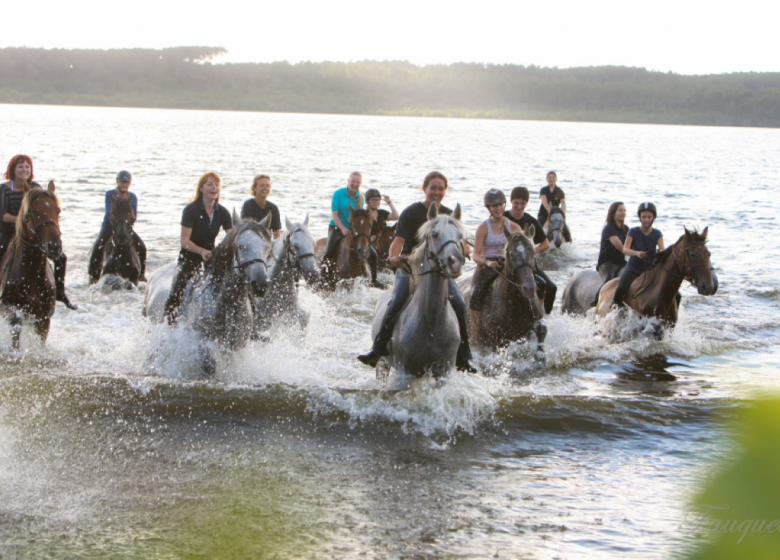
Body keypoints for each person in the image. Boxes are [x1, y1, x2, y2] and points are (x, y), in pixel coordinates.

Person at [357, 171, 476, 373]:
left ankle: (463, 355)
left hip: (440, 272)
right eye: (433, 188)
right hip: (410, 268)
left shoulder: (449, 216)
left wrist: (463, 251)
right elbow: (398, 244)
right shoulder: (412, 213)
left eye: (441, 188)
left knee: (459, 302)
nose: (437, 192)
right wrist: (395, 257)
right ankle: (378, 348)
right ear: (425, 189)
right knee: (398, 299)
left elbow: (462, 246)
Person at [0, 154, 77, 310]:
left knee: (60, 257)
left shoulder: (35, 188)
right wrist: (22, 220)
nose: (24, 170)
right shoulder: (4, 188)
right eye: (20, 166)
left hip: (30, 233)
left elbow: (42, 210)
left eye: (27, 167)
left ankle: (60, 292)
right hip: (8, 232)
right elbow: (2, 215)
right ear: (13, 169)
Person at [163, 172, 232, 323]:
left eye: (216, 185)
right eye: (209, 184)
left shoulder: (223, 212)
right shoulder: (191, 210)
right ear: (201, 188)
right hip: (189, 259)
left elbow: (232, 238)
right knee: (177, 290)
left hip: (210, 259)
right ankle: (167, 324)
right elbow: (184, 241)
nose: (214, 188)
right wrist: (201, 251)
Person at [469, 189, 522, 319]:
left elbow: (520, 250)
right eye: (494, 206)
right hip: (488, 265)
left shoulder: (514, 227)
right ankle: (475, 332)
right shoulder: (483, 227)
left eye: (500, 205)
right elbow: (475, 255)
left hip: (508, 264)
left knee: (533, 285)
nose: (498, 208)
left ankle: (537, 320)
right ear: (489, 208)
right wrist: (487, 262)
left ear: (504, 204)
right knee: (476, 293)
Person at [88, 170, 148, 283]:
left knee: (142, 247)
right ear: (117, 182)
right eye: (122, 182)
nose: (124, 185)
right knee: (98, 245)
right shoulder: (110, 194)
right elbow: (109, 214)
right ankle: (93, 275)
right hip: (109, 227)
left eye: (126, 183)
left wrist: (127, 220)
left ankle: (142, 274)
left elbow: (134, 216)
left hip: (125, 228)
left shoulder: (133, 197)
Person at [504, 187, 556, 314]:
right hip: (508, 263)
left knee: (551, 287)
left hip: (528, 264)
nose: (519, 206)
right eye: (516, 203)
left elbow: (546, 244)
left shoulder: (531, 220)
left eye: (523, 203)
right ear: (511, 201)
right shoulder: (503, 217)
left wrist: (530, 252)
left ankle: (543, 315)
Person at [613, 202, 664, 308]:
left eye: (649, 217)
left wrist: (658, 256)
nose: (646, 219)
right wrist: (637, 253)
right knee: (620, 288)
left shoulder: (657, 234)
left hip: (650, 271)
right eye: (644, 217)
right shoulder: (633, 231)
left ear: (653, 218)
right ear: (640, 218)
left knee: (674, 294)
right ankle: (616, 311)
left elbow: (662, 251)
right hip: (633, 269)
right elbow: (625, 249)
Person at [322, 172, 364, 269]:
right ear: (348, 181)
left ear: (360, 183)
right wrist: (343, 229)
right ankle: (323, 278)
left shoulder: (360, 198)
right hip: (337, 227)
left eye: (357, 182)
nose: (355, 184)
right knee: (329, 253)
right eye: (353, 181)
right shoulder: (338, 194)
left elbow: (357, 218)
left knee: (364, 249)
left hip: (352, 230)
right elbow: (334, 215)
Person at [364, 187, 399, 289]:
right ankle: (373, 279)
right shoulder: (364, 214)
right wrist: (370, 238)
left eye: (377, 200)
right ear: (368, 201)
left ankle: (397, 274)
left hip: (382, 242)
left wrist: (389, 202)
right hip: (370, 242)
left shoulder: (382, 213)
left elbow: (396, 216)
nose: (376, 202)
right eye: (373, 200)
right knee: (371, 252)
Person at [241, 174, 281, 239]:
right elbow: (245, 230)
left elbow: (276, 233)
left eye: (267, 186)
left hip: (267, 243)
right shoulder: (248, 205)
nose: (265, 188)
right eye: (262, 185)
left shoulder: (273, 208)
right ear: (254, 188)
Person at [597, 202, 629, 283]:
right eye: (620, 210)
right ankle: (599, 295)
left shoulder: (626, 229)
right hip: (607, 263)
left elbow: (633, 244)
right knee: (608, 280)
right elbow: (620, 247)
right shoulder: (608, 228)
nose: (623, 213)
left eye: (624, 210)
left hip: (621, 262)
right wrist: (637, 253)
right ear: (613, 213)